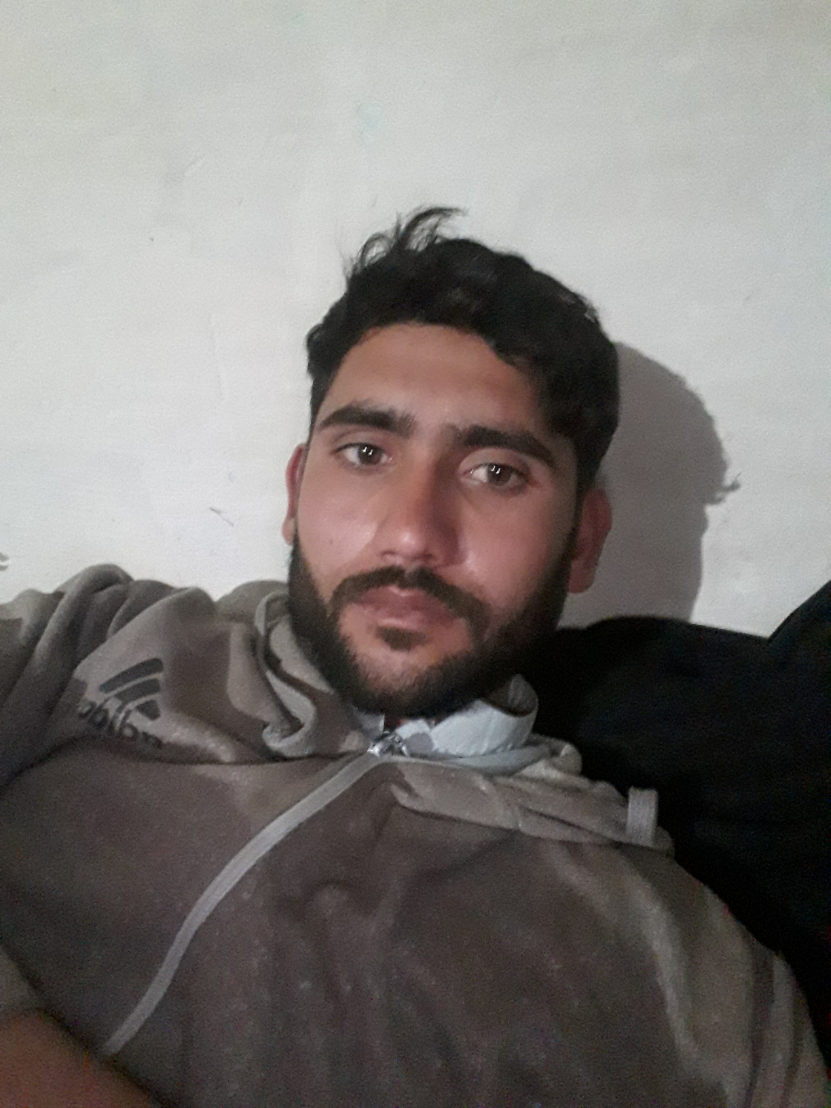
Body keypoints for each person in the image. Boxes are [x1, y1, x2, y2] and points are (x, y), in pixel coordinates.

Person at [0, 209, 824, 1107]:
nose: (411, 532)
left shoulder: (696, 983)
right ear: (295, 491)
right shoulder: (93, 636)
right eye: (365, 452)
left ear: (582, 540)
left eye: (496, 473)